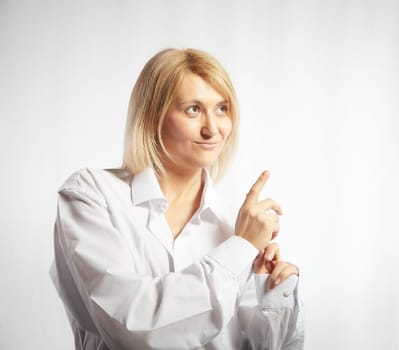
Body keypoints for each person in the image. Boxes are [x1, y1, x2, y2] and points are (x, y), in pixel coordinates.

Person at [49, 48, 304, 350]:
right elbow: (131, 329)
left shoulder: (231, 223)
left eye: (222, 108)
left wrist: (274, 296)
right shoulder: (91, 195)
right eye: (193, 109)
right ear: (153, 115)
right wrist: (241, 248)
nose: (212, 129)